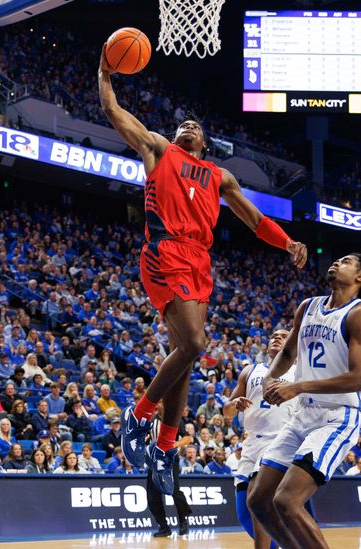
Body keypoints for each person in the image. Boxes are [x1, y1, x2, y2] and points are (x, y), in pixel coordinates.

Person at [98, 48, 308, 496]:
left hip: (199, 260)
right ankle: (137, 418)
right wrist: (105, 71)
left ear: (206, 142)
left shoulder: (220, 176)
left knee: (187, 355)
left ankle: (166, 446)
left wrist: (287, 242)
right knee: (195, 343)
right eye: (183, 124)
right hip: (165, 250)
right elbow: (112, 110)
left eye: (196, 125)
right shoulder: (159, 149)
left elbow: (254, 220)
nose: (189, 125)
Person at [248, 252, 361, 549]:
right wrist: (268, 384)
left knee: (287, 500)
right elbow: (289, 352)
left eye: (347, 261)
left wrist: (297, 385)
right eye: (337, 259)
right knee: (259, 498)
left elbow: (359, 378)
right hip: (304, 413)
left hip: (338, 416)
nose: (336, 263)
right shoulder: (308, 306)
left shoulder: (359, 313)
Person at [223, 329, 299, 549]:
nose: (277, 338)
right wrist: (235, 404)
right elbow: (226, 411)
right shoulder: (250, 371)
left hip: (280, 441)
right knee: (244, 515)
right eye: (274, 335)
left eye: (284, 335)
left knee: (258, 500)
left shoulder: (299, 373)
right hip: (251, 443)